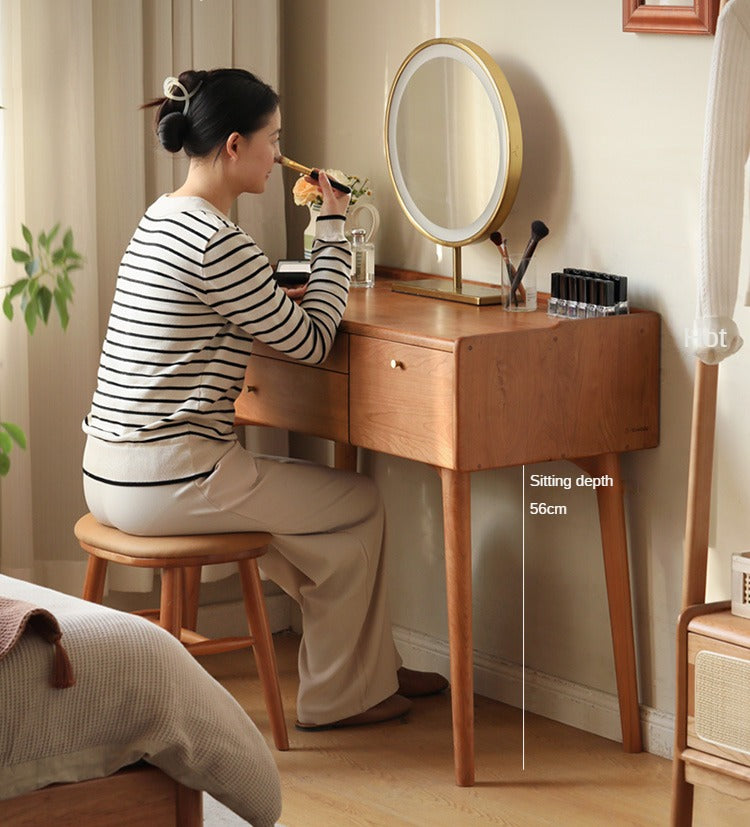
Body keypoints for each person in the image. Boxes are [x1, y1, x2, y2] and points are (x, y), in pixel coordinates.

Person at [81, 68, 447, 729]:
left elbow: (235, 311)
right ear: (233, 146)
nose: (279, 156)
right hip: (170, 481)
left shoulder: (161, 218)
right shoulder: (220, 240)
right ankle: (342, 693)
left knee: (325, 540)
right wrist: (331, 226)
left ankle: (368, 673)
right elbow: (310, 344)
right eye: (272, 140)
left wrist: (274, 299)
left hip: (107, 472)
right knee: (358, 502)